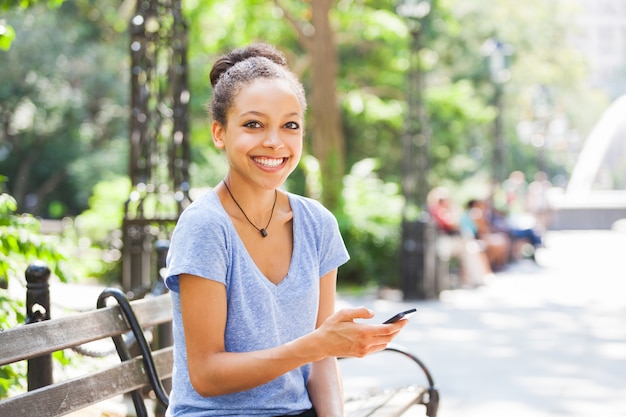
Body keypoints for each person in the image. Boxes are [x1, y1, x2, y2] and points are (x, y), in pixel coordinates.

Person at [164, 43, 408, 417]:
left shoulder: (317, 224)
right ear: (219, 133)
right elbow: (207, 374)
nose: (275, 141)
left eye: (290, 125)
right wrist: (317, 345)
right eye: (253, 124)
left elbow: (322, 361)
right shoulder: (205, 227)